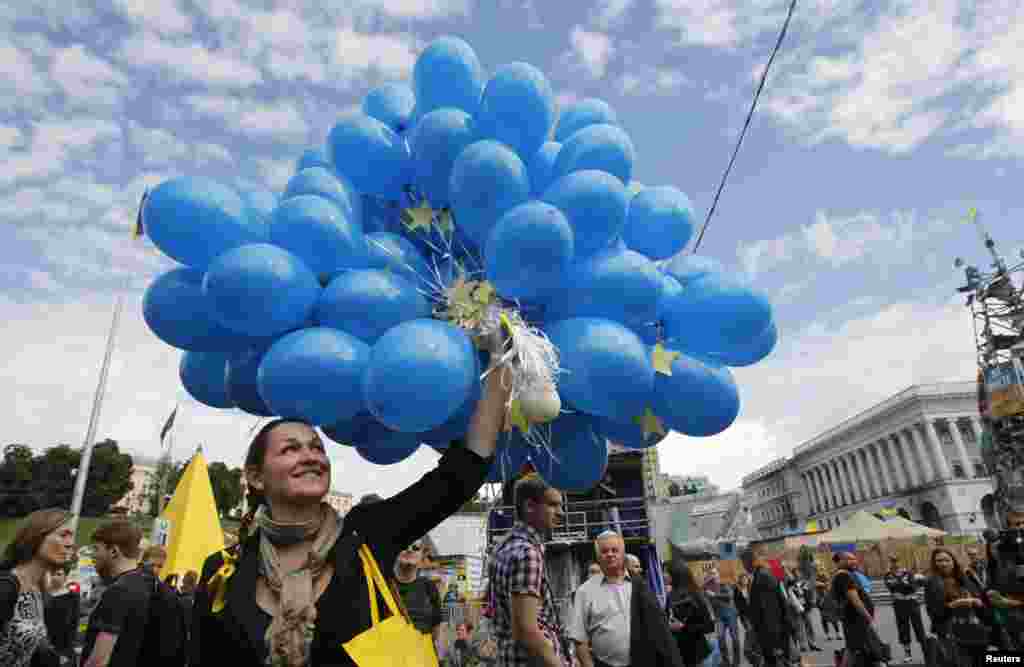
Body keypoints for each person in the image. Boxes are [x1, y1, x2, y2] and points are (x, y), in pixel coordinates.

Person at [190, 345, 510, 667]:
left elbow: (463, 471)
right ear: (256, 477)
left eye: (317, 447)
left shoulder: (367, 535)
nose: (311, 456)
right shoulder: (222, 570)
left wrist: (501, 358)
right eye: (291, 449)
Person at [81, 519, 186, 667]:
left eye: (96, 549)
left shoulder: (118, 591)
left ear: (113, 551)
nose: (93, 556)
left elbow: (98, 662)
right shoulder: (148, 584)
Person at [489, 474, 568, 667]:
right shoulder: (526, 553)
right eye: (553, 505)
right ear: (529, 506)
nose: (561, 512)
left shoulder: (504, 545)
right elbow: (526, 631)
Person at [570, 531, 681, 667]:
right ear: (598, 557)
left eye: (614, 550)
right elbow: (579, 639)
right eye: (604, 551)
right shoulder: (585, 591)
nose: (610, 554)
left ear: (623, 554)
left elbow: (660, 630)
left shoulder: (640, 585)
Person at [0, 508, 75, 667]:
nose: (71, 544)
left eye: (71, 536)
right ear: (36, 538)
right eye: (63, 535)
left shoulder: (38, 588)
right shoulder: (6, 587)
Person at [925, 548, 994, 666]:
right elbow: (934, 612)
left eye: (946, 560)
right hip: (952, 634)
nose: (943, 563)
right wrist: (955, 605)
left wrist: (978, 602)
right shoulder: (932, 582)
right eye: (938, 561)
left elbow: (982, 601)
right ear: (934, 563)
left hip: (976, 631)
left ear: (953, 560)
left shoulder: (965, 577)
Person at [394, 539, 443, 657]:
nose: (409, 549)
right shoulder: (383, 584)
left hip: (420, 656)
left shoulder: (429, 587)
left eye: (416, 548)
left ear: (422, 557)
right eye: (404, 545)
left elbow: (436, 629)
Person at [831, 551, 879, 667]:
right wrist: (869, 618)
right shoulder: (843, 576)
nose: (853, 561)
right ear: (840, 561)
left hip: (856, 619)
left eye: (854, 559)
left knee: (857, 648)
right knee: (854, 649)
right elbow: (855, 601)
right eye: (848, 559)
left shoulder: (848, 574)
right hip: (855, 620)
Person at [667, 562, 714, 667]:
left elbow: (709, 626)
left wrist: (684, 627)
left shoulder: (695, 594)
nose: (664, 575)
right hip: (680, 654)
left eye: (667, 572)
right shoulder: (670, 594)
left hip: (697, 654)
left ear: (676, 575)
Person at [747, 553, 788, 667]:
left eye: (746, 562)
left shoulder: (763, 577)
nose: (745, 565)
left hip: (770, 633)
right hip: (769, 631)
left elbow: (770, 610)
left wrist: (774, 640)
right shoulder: (761, 576)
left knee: (775, 661)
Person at [883, 554, 926, 663]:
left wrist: (900, 584)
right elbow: (891, 588)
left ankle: (925, 651)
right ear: (890, 563)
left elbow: (913, 587)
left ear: (900, 562)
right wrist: (903, 584)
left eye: (896, 561)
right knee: (903, 628)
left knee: (918, 626)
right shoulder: (888, 575)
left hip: (912, 603)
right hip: (899, 604)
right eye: (892, 561)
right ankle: (908, 654)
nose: (895, 564)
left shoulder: (908, 573)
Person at [44, 565, 81, 666]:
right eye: (51, 574)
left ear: (65, 577)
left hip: (64, 648)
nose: (54, 577)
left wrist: (68, 649)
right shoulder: (42, 595)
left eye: (58, 574)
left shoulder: (72, 597)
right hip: (43, 646)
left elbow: (74, 623)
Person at [704, 569, 741, 667]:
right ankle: (726, 662)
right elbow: (706, 601)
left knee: (735, 638)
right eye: (711, 573)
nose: (713, 575)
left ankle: (736, 662)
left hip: (730, 614)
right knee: (720, 638)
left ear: (718, 574)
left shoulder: (724, 584)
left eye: (715, 573)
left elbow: (729, 596)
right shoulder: (707, 587)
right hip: (719, 617)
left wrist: (715, 595)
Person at [815, 573, 840, 641]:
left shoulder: (828, 585)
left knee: (833, 620)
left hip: (829, 604)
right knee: (824, 620)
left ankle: (838, 634)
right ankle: (828, 635)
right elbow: (817, 584)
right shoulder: (818, 587)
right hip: (822, 604)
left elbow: (830, 586)